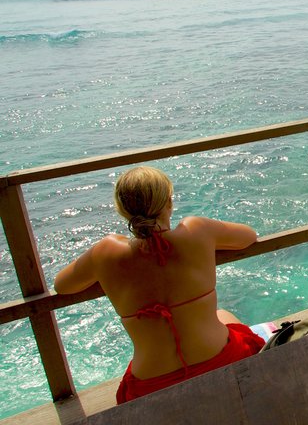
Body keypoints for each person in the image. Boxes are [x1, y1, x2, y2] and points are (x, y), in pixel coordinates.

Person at [54, 166, 265, 404]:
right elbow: (248, 235)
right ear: (169, 202)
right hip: (220, 359)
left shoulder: (106, 251)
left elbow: (62, 285)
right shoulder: (197, 230)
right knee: (223, 314)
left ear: (122, 210)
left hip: (151, 383)